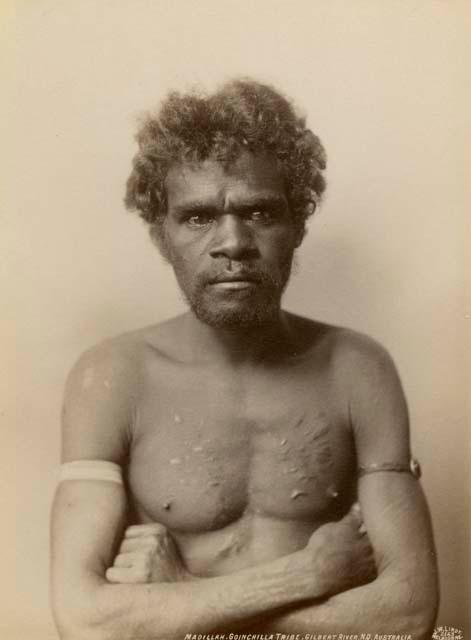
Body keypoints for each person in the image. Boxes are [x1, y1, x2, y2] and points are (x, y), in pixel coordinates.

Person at [50, 79, 439, 639]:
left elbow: (408, 617)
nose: (233, 242)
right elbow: (85, 623)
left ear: (298, 225)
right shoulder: (109, 377)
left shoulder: (358, 370)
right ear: (162, 235)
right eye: (198, 217)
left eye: (259, 213)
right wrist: (306, 574)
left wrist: (182, 598)